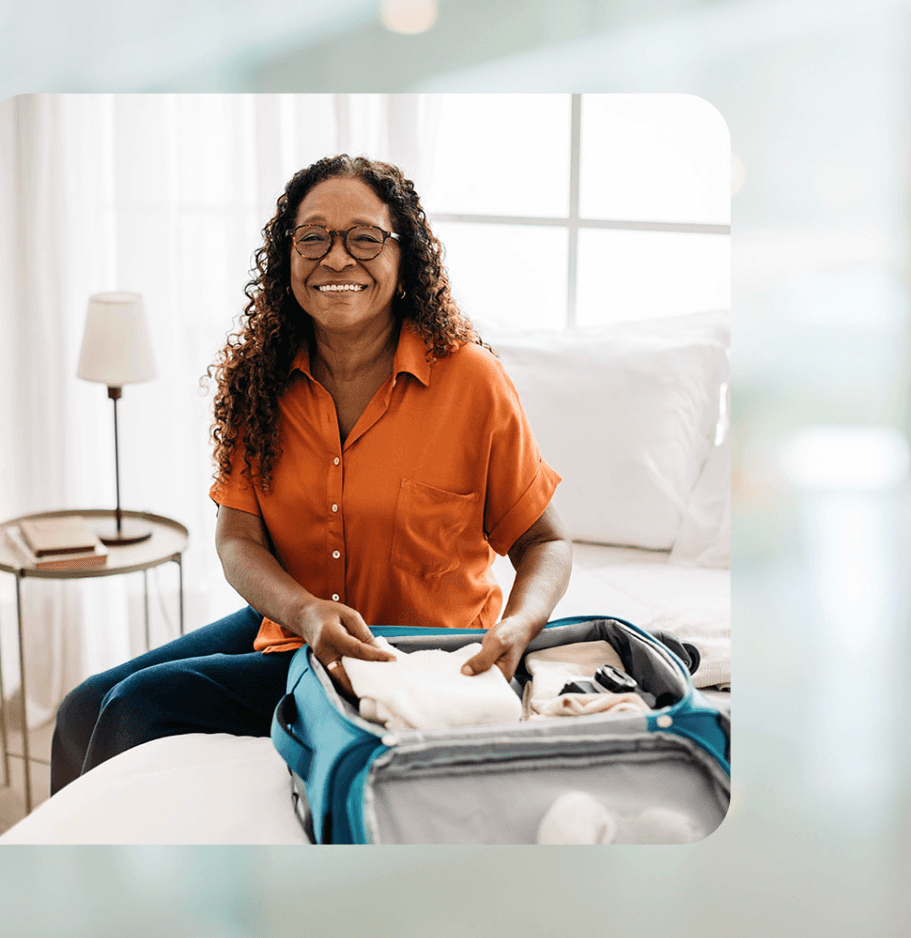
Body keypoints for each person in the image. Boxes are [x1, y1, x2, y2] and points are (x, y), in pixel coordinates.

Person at [50, 154, 571, 795]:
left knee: (138, 706)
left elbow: (545, 541)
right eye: (314, 238)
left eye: (365, 238)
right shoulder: (258, 378)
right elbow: (238, 540)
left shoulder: (471, 381)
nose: (336, 259)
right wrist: (303, 610)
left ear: (403, 257)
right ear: (288, 256)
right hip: (294, 624)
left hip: (407, 657)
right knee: (79, 708)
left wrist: (520, 625)